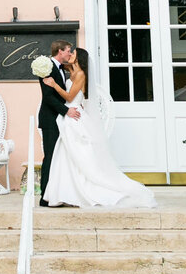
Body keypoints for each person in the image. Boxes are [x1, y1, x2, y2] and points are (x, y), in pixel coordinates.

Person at [42, 47, 156, 209]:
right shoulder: (72, 72)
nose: (70, 55)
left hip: (74, 116)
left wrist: (54, 85)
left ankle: (84, 190)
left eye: (73, 54)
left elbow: (69, 96)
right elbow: (59, 67)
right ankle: (66, 192)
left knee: (79, 154)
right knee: (66, 154)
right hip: (68, 116)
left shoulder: (81, 75)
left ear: (79, 58)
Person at [37, 39, 81, 207]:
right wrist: (66, 111)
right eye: (68, 50)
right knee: (50, 156)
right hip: (50, 119)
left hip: (62, 120)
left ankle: (57, 193)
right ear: (60, 51)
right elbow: (48, 97)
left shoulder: (63, 69)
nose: (70, 53)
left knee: (60, 158)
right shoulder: (46, 67)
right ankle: (45, 197)